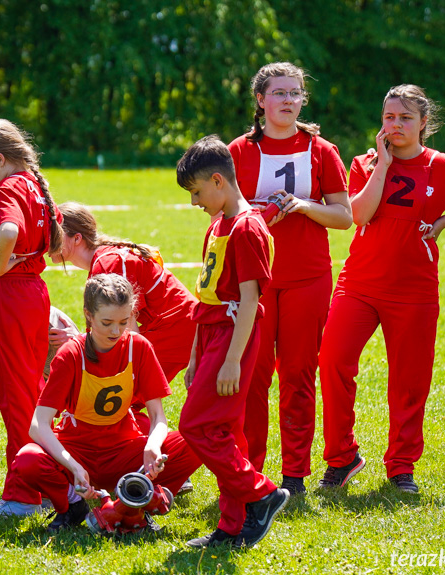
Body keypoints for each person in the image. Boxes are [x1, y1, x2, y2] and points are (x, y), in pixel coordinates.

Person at [318, 85, 445, 493]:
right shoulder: (365, 163)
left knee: (409, 380)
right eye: (388, 117)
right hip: (360, 284)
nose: (395, 124)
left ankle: (401, 467)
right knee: (333, 361)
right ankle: (342, 458)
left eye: (404, 118)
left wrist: (444, 223)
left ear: (424, 123)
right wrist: (382, 166)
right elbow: (358, 216)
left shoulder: (442, 166)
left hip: (414, 290)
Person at [227, 62, 352, 495]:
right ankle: (251, 474)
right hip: (254, 281)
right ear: (260, 100)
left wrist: (301, 206)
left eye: (295, 93)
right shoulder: (238, 151)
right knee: (252, 378)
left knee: (298, 376)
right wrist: (264, 213)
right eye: (279, 93)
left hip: (307, 278)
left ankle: (294, 476)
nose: (288, 100)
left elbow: (344, 216)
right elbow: (223, 214)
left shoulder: (322, 149)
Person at [8, 274, 202, 530]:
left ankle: (138, 501)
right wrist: (74, 466)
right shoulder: (71, 354)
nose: (116, 331)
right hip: (77, 450)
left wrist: (152, 447)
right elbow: (38, 425)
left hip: (123, 449)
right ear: (88, 315)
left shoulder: (139, 347)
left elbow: (158, 417)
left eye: (123, 322)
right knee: (27, 458)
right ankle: (72, 504)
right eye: (107, 322)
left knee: (197, 438)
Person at [175, 135, 290, 548]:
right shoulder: (218, 223)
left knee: (195, 424)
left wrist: (231, 361)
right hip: (210, 334)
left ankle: (261, 493)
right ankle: (231, 526)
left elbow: (250, 299)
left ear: (219, 181)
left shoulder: (246, 228)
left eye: (197, 192)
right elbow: (206, 296)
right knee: (226, 431)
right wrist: (194, 355)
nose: (194, 202)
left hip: (231, 337)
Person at [0, 119, 63, 516]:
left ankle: (25, 493)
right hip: (33, 293)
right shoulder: (33, 183)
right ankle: (49, 482)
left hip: (11, 296)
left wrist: (1, 266)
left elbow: (8, 231)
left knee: (17, 396)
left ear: (1, 159)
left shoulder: (9, 186)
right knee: (33, 390)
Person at [51, 202, 197, 385]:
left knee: (118, 395)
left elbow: (127, 337)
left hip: (178, 329)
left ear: (77, 238)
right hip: (175, 327)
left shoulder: (107, 264)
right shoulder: (102, 262)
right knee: (112, 394)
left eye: (55, 234)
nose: (47, 240)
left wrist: (76, 340)